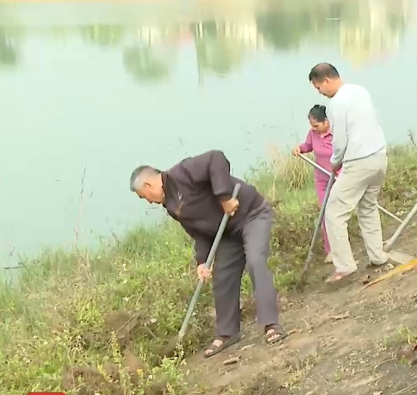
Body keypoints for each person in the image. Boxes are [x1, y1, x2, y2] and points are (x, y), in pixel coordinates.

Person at [129, 150, 286, 357]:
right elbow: (199, 231)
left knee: (256, 261)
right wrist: (202, 261)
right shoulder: (170, 205)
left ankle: (271, 324)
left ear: (148, 185)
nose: (148, 201)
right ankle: (227, 333)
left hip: (251, 215)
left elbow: (216, 158)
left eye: (144, 197)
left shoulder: (182, 173)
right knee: (222, 276)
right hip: (227, 231)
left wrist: (224, 198)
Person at [308, 63, 391, 283]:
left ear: (326, 80)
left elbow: (340, 141)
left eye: (318, 87)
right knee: (368, 207)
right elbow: (376, 120)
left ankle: (344, 266)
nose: (319, 92)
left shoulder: (337, 104)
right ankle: (377, 256)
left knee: (334, 211)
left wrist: (335, 162)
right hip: (379, 156)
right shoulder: (360, 90)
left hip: (359, 161)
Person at [292, 104, 335, 261]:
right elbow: (308, 146)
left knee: (337, 212)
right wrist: (300, 148)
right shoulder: (313, 133)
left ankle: (344, 246)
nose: (314, 129)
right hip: (322, 180)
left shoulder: (337, 133)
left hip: (338, 178)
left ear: (326, 121)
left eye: (316, 125)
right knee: (325, 212)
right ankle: (331, 249)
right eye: (312, 126)